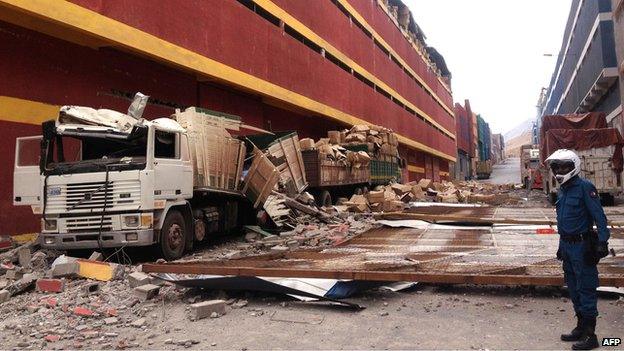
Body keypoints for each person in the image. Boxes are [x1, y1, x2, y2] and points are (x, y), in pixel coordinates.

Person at [546, 149, 611, 350]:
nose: (559, 170)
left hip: (582, 248)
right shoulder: (563, 190)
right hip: (567, 247)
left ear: (574, 167)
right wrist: (560, 247)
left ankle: (591, 336)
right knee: (573, 289)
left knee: (586, 289)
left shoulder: (585, 187)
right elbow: (564, 223)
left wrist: (602, 242)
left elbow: (599, 217)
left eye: (564, 166)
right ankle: (580, 328)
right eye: (556, 166)